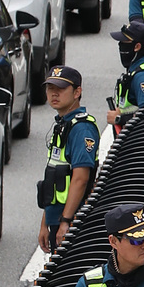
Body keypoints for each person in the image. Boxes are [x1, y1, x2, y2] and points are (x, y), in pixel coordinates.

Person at [37, 63, 100, 254]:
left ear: (77, 92)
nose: (54, 94)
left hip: (73, 219)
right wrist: (45, 222)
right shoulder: (63, 124)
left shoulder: (81, 129)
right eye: (50, 88)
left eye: (61, 89)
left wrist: (66, 222)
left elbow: (80, 179)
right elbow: (52, 180)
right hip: (58, 218)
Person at [108, 24, 144, 128]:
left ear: (137, 47)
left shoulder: (143, 76)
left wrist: (119, 118)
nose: (120, 45)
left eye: (124, 42)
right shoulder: (134, 70)